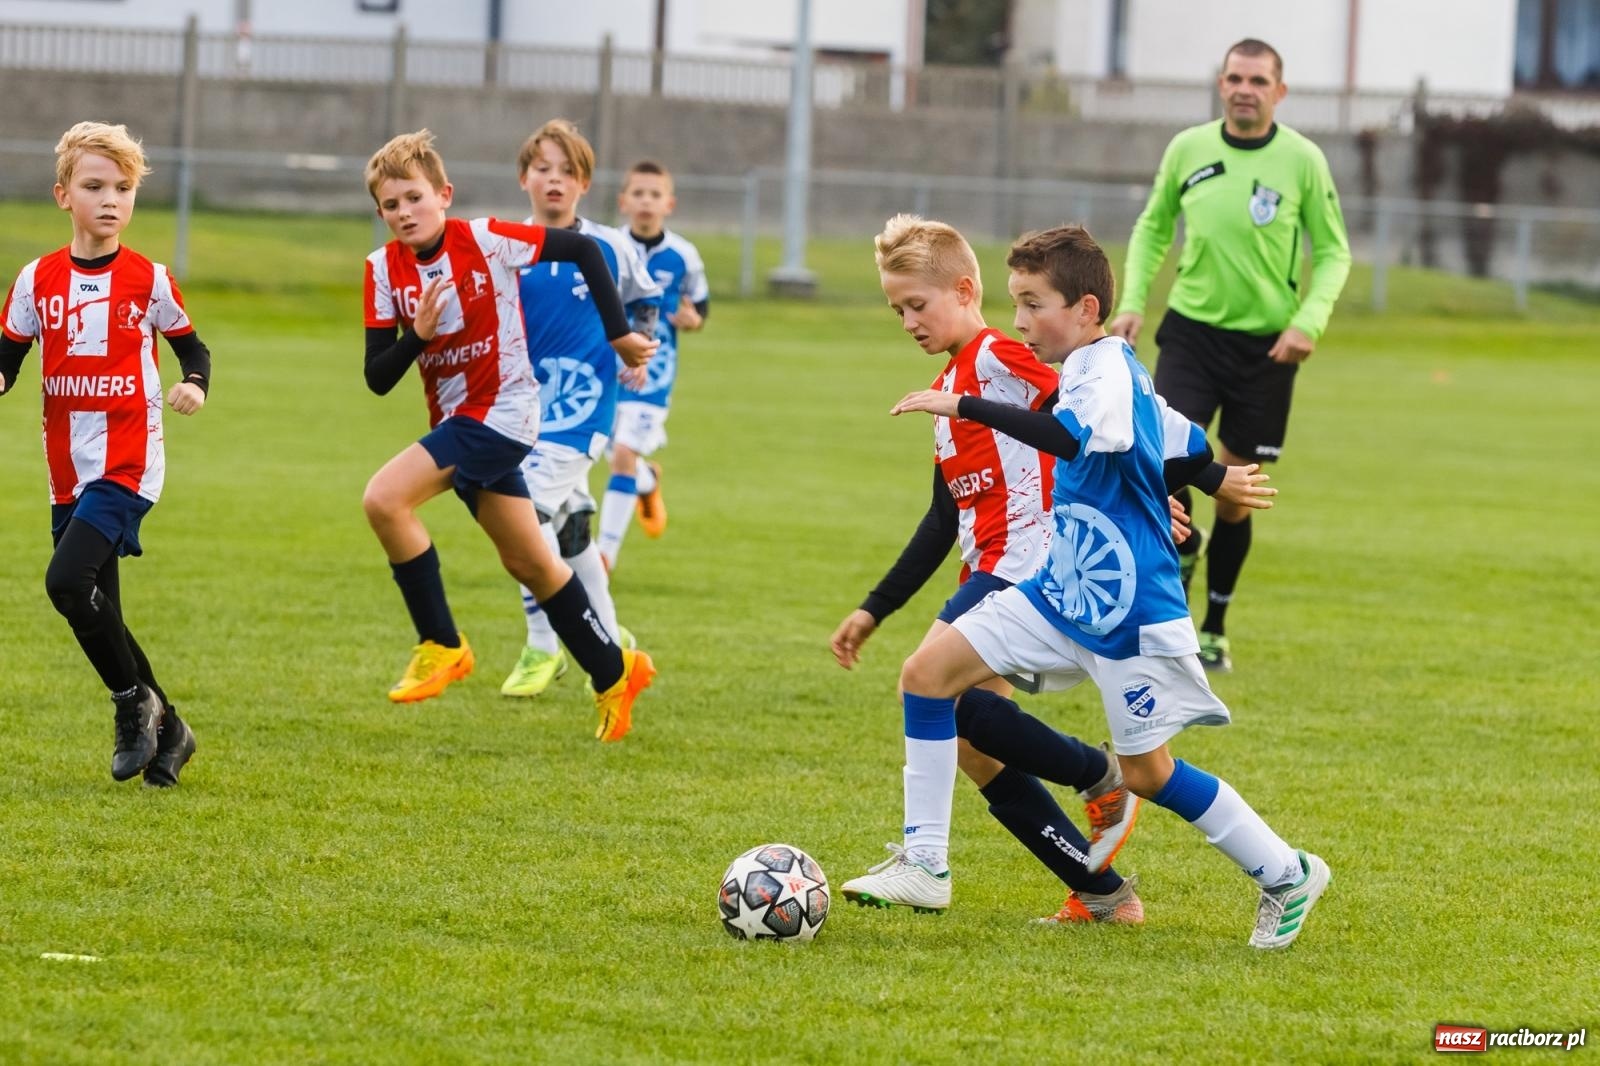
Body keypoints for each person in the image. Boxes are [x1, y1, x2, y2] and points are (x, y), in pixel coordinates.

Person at [886, 224, 1329, 949]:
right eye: (1017, 304)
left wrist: (963, 407)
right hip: (1062, 594)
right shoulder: (1099, 370)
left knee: (1148, 772)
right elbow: (1180, 439)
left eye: (1035, 304)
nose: (1022, 321)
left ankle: (1287, 871)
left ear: (1086, 309)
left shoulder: (1106, 372)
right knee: (927, 675)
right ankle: (926, 861)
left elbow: (1067, 438)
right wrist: (1213, 479)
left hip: (1128, 610)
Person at [360, 129, 657, 741]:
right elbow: (377, 378)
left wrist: (620, 333)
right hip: (458, 421)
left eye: (414, 198)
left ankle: (442, 644)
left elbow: (582, 249)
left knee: (384, 499)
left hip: (505, 411)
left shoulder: (487, 238)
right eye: (390, 206)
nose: (404, 213)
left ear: (444, 194)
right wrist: (415, 334)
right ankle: (615, 672)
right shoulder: (381, 270)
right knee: (533, 562)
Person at [1108, 38, 1351, 674]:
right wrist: (1133, 299)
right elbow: (1153, 226)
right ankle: (1166, 613)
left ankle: (1214, 626)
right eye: (1235, 78)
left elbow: (1334, 253)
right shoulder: (1188, 148)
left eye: (1258, 80)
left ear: (1280, 90)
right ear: (1221, 84)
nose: (1245, 88)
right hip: (1191, 335)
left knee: (1236, 495)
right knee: (1171, 463)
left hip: (1267, 350)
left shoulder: (1303, 160)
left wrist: (1309, 321)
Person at [0, 121, 209, 787]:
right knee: (101, 608)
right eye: (95, 186)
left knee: (65, 583)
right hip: (68, 468)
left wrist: (193, 384)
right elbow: (7, 359)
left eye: (123, 188)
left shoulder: (149, 278)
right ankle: (171, 730)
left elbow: (193, 348)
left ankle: (131, 705)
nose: (111, 199)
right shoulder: (36, 281)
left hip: (129, 461)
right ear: (64, 195)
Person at [498, 119, 663, 698]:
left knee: (524, 521)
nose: (554, 181)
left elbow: (646, 298)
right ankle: (612, 636)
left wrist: (637, 347)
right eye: (543, 169)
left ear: (584, 184)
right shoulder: (505, 247)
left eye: (567, 172)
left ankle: (543, 646)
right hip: (518, 412)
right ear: (524, 177)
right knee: (569, 533)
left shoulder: (610, 247)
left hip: (584, 411)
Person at [597, 160, 709, 570]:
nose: (646, 201)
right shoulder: (607, 246)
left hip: (654, 374)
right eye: (638, 193)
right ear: (623, 201)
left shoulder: (683, 255)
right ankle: (648, 482)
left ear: (669, 204)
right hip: (606, 367)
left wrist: (693, 320)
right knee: (615, 457)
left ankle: (605, 553)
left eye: (655, 194)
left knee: (623, 453)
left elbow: (699, 308)